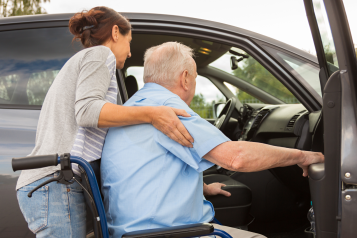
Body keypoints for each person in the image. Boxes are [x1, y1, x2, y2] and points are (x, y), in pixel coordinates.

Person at [100, 42, 325, 238]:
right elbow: (236, 158)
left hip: (134, 231)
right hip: (170, 234)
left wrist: (203, 188)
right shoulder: (168, 110)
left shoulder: (133, 108)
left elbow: (151, 167)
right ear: (185, 79)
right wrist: (302, 155)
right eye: (196, 78)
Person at [16, 7, 194, 238]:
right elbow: (88, 112)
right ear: (116, 32)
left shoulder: (84, 61)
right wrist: (153, 114)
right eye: (130, 41)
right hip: (54, 185)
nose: (130, 53)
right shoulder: (100, 54)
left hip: (51, 185)